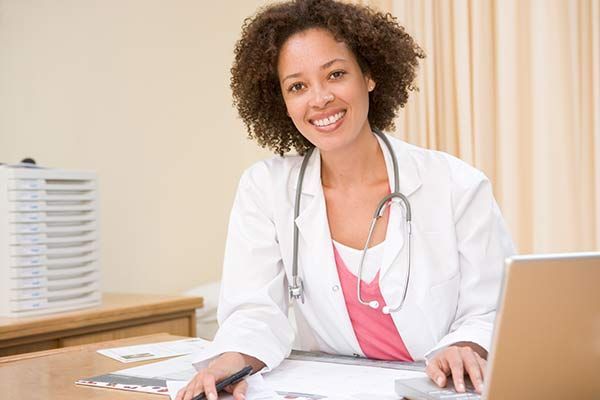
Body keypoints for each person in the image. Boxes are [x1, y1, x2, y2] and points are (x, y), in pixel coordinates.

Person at [177, 1, 515, 399]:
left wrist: (465, 347)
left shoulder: (457, 185)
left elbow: (493, 308)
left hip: (438, 391)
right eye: (297, 86)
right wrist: (229, 364)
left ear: (369, 75)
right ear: (281, 101)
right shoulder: (265, 188)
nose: (319, 99)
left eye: (335, 74)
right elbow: (254, 311)